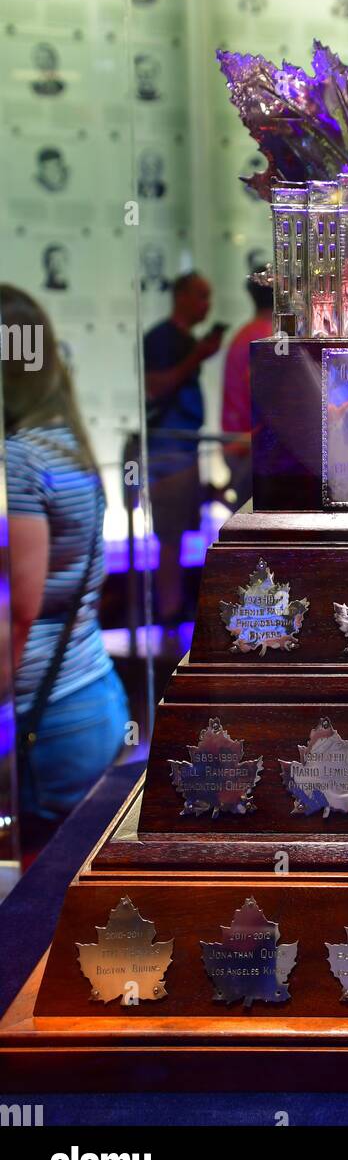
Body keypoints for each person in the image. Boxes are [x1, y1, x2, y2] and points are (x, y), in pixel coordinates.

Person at [1, 286, 130, 837]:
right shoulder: (63, 441)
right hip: (89, 694)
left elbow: (22, 611)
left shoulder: (21, 456)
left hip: (47, 718)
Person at [144, 272, 225, 624]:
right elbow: (156, 387)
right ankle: (169, 609)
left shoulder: (180, 339)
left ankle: (175, 607)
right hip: (169, 450)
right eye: (201, 296)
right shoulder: (161, 339)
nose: (206, 306)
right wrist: (197, 356)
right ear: (181, 296)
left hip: (183, 448)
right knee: (170, 536)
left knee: (179, 534)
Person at [221, 268, 273, 504]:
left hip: (240, 444)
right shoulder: (268, 335)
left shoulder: (245, 333)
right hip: (251, 447)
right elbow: (265, 396)